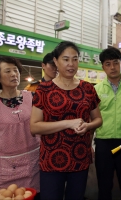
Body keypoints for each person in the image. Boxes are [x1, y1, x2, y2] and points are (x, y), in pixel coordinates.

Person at [30, 41, 102, 200]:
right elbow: (34, 127)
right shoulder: (44, 89)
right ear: (55, 61)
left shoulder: (88, 88)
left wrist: (88, 125)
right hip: (51, 159)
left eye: (75, 59)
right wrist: (68, 123)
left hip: (80, 157)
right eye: (66, 59)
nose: (71, 64)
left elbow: (98, 119)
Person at [0, 56, 40, 192]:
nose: (13, 74)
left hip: (34, 163)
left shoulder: (33, 97)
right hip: (6, 168)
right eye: (8, 71)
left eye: (15, 70)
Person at [94, 47, 121, 200]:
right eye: (108, 64)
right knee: (104, 185)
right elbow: (92, 117)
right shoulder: (96, 90)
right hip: (103, 142)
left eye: (115, 63)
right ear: (103, 67)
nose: (112, 67)